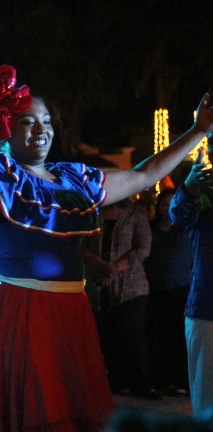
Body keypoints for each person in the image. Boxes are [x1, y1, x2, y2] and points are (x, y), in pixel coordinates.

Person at [0, 29, 213, 430]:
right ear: (4, 128)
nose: (41, 130)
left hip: (71, 310)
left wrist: (198, 131)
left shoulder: (74, 180)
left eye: (46, 121)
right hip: (21, 311)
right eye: (26, 122)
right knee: (33, 416)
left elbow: (143, 175)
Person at [83, 198, 157, 399]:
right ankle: (116, 379)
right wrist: (102, 266)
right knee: (107, 335)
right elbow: (83, 246)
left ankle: (141, 383)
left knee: (133, 336)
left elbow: (142, 249)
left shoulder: (135, 216)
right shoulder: (92, 215)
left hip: (131, 287)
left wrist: (114, 268)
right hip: (99, 285)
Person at [169, 152, 213, 420]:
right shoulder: (202, 196)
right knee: (207, 398)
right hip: (207, 309)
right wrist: (190, 187)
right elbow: (177, 216)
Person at [145, 187, 192, 396]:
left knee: (179, 337)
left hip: (182, 289)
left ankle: (180, 380)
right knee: (158, 336)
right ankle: (161, 379)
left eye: (172, 204)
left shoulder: (187, 229)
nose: (168, 208)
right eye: (164, 204)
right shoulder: (150, 229)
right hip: (155, 290)